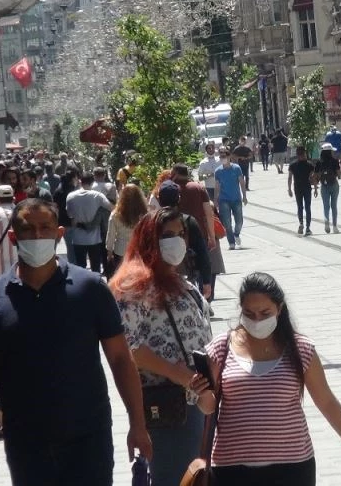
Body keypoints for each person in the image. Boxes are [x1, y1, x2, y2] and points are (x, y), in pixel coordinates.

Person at [0, 199, 152, 484]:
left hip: (88, 438)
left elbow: (121, 359)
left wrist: (138, 423)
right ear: (13, 237)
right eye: (27, 229)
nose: (37, 236)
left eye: (45, 228)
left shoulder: (90, 289)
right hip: (26, 443)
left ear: (59, 234)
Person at [205, 272, 341, 486]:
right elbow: (207, 406)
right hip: (232, 469)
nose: (257, 320)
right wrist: (199, 392)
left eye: (265, 313)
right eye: (249, 313)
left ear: (280, 308)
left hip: (292, 468)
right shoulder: (221, 347)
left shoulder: (300, 349)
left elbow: (327, 402)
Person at [111, 208, 214, 486]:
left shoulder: (179, 279)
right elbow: (128, 347)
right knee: (175, 476)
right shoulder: (135, 285)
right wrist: (182, 376)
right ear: (148, 239)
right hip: (169, 403)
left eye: (181, 234)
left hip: (197, 398)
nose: (177, 241)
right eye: (167, 235)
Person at [157, 181, 212, 297]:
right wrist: (206, 281)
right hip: (185, 276)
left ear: (159, 198)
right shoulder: (188, 221)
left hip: (157, 277)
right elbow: (202, 252)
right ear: (179, 198)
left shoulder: (151, 222)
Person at [66, 171, 114, 273]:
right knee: (95, 268)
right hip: (94, 239)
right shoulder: (98, 196)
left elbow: (70, 216)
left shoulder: (70, 196)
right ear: (92, 183)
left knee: (80, 268)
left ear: (80, 181)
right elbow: (112, 208)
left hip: (77, 239)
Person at [106, 184, 148, 279]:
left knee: (121, 278)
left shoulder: (116, 214)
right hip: (138, 250)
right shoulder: (145, 214)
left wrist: (109, 253)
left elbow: (111, 235)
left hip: (120, 251)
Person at [215, 146, 247, 250]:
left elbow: (242, 183)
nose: (223, 158)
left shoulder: (236, 168)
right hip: (224, 200)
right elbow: (217, 186)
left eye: (224, 156)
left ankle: (236, 233)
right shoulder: (218, 171)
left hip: (236, 198)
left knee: (239, 221)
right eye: (221, 157)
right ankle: (231, 242)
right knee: (227, 222)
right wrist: (215, 200)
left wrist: (244, 196)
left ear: (229, 157)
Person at [288, 146, 317, 236]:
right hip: (307, 187)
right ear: (304, 154)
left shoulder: (292, 165)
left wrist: (289, 189)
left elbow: (289, 178)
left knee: (300, 206)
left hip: (297, 187)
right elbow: (313, 178)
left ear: (297, 154)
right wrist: (315, 189)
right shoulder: (310, 165)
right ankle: (308, 228)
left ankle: (301, 223)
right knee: (307, 207)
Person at [53, 168, 79, 264]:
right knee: (71, 249)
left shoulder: (57, 191)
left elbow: (55, 207)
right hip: (70, 222)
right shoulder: (73, 191)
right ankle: (73, 266)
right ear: (73, 178)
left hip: (59, 222)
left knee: (53, 247)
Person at [315, 143, 341, 234]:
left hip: (324, 185)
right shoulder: (334, 161)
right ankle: (334, 226)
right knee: (334, 206)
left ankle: (326, 221)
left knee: (326, 206)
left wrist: (315, 186)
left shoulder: (319, 162)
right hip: (334, 184)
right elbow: (339, 174)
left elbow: (316, 176)